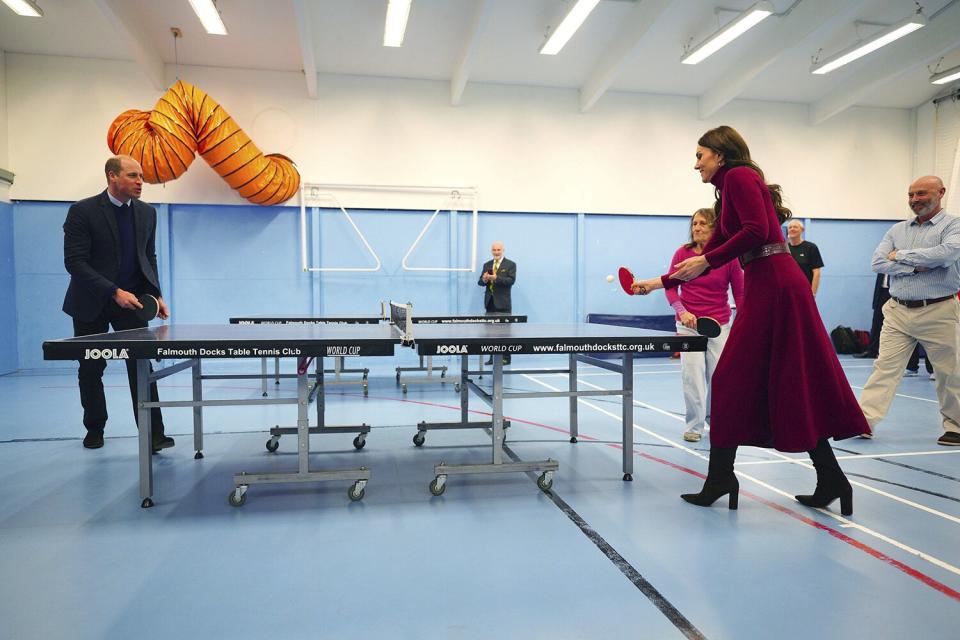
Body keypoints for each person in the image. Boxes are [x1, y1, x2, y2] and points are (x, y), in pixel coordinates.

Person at [632, 125, 865, 515]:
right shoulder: (727, 190)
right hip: (767, 282)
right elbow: (719, 249)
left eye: (700, 156)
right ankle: (831, 478)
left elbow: (756, 231)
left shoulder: (739, 176)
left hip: (774, 283)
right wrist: (660, 282)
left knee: (727, 378)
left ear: (720, 155)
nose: (695, 164)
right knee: (785, 381)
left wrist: (706, 259)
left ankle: (723, 477)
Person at [62, 155, 174, 452]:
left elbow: (148, 257)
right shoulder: (82, 211)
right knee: (90, 368)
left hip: (133, 302)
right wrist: (113, 291)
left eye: (141, 176)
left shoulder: (147, 213)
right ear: (113, 176)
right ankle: (95, 428)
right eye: (133, 175)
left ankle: (154, 435)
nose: (141, 182)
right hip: (91, 301)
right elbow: (74, 262)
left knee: (141, 367)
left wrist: (156, 294)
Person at [857, 176, 960, 446]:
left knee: (950, 372)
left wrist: (900, 256)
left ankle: (955, 426)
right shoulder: (897, 230)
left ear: (940, 193)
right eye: (911, 194)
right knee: (884, 368)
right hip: (898, 310)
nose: (915, 200)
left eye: (921, 194)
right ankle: (863, 421)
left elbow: (946, 255)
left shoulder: (954, 226)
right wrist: (916, 265)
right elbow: (877, 262)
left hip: (939, 309)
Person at [664, 208, 744, 443]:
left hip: (719, 325)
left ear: (714, 228)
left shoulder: (727, 256)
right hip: (688, 325)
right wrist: (683, 311)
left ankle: (719, 423)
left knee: (721, 377)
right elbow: (670, 287)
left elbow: (740, 293)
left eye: (702, 223)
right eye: (694, 224)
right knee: (693, 377)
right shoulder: (682, 253)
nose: (696, 227)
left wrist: (743, 323)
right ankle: (695, 426)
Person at [478, 241, 516, 364]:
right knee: (490, 333)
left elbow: (510, 281)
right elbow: (480, 282)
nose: (496, 252)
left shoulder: (510, 264)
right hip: (490, 303)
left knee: (505, 333)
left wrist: (496, 278)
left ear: (503, 250)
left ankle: (506, 358)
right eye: (494, 250)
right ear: (491, 251)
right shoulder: (487, 264)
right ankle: (491, 358)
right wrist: (484, 279)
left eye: (498, 250)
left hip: (503, 304)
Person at [854, 273, 890, 358]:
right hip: (882, 289)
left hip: (897, 291)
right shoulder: (882, 260)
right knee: (877, 322)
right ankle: (872, 351)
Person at [786, 220, 823, 295]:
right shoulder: (784, 248)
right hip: (788, 291)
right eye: (790, 227)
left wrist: (813, 293)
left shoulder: (811, 247)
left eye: (795, 227)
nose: (792, 229)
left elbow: (816, 273)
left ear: (802, 230)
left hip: (805, 291)